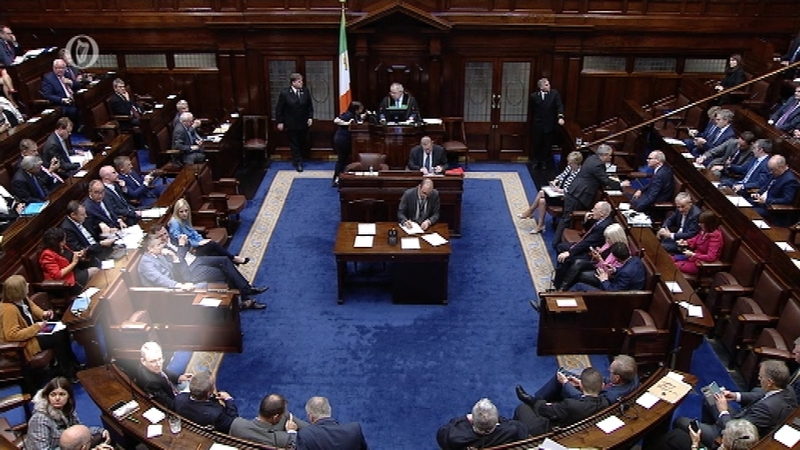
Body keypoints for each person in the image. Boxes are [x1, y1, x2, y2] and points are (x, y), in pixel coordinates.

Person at [671, 360, 796, 449]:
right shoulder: (786, 389)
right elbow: (760, 395)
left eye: (761, 377)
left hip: (735, 435)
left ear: (769, 382)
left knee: (680, 421)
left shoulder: (766, 409)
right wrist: (735, 395)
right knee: (711, 397)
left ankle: (713, 441)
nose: (759, 379)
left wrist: (723, 411)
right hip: (740, 420)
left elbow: (736, 432)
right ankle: (711, 427)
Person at [141, 228, 267, 309]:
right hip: (183, 277)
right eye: (159, 242)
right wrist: (179, 283)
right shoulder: (151, 260)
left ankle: (245, 292)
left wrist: (180, 250)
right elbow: (162, 278)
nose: (164, 240)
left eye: (165, 234)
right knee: (224, 272)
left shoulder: (162, 250)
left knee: (224, 261)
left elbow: (183, 255)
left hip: (190, 264)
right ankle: (241, 300)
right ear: (150, 248)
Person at [1, 276, 81, 384]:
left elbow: (33, 308)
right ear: (18, 290)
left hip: (33, 333)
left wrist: (43, 314)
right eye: (25, 284)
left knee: (62, 327)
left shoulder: (23, 298)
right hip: (24, 344)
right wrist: (36, 327)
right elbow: (12, 335)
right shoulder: (8, 310)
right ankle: (67, 373)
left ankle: (73, 364)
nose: (28, 285)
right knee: (58, 336)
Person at [553, 144, 621, 246]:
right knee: (566, 219)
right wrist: (620, 185)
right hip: (579, 195)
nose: (611, 157)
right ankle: (556, 243)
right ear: (605, 155)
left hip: (575, 191)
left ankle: (558, 242)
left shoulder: (592, 158)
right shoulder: (598, 164)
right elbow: (605, 180)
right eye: (610, 155)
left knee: (566, 218)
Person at [513, 367, 609, 435]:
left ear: (581, 385)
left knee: (523, 408)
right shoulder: (605, 402)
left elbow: (543, 410)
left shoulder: (570, 405)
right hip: (580, 427)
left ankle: (517, 436)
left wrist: (535, 402)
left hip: (552, 432)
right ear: (602, 386)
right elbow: (587, 401)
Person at [516, 355, 639, 407]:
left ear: (617, 378)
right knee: (563, 373)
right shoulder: (632, 377)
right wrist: (580, 381)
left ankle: (534, 402)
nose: (608, 370)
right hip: (595, 391)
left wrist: (567, 383)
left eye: (610, 370)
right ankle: (539, 400)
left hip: (586, 404)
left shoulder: (610, 397)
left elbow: (587, 401)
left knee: (561, 380)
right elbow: (607, 382)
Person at [24, 378, 109, 450]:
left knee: (101, 437)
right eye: (53, 395)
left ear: (68, 396)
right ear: (47, 397)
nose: (57, 398)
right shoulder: (40, 419)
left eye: (62, 394)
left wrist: (100, 431)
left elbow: (79, 432)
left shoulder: (68, 410)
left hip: (70, 446)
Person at [551, 201, 614, 290]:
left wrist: (570, 252)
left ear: (602, 213)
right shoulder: (601, 220)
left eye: (595, 209)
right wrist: (586, 220)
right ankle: (560, 273)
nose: (592, 210)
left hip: (591, 252)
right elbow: (589, 232)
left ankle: (559, 285)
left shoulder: (603, 226)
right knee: (561, 247)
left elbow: (587, 242)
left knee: (567, 258)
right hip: (587, 244)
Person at [167, 198, 249, 264]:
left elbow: (193, 232)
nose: (185, 213)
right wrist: (198, 243)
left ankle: (230, 262)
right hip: (190, 251)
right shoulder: (175, 223)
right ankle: (233, 259)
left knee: (215, 253)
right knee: (212, 244)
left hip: (196, 245)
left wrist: (201, 240)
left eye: (186, 210)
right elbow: (180, 242)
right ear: (176, 212)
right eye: (181, 212)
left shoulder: (184, 219)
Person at [518, 151, 583, 234]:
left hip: (565, 198)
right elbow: (561, 176)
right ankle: (540, 225)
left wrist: (559, 190)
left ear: (577, 163)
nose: (568, 164)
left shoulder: (580, 174)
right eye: (568, 162)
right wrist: (555, 181)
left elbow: (573, 190)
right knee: (542, 201)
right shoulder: (569, 168)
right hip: (558, 193)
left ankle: (530, 211)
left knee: (541, 192)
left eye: (571, 163)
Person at [436, 398, 529, 449]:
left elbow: (443, 432)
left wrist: (464, 418)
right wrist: (502, 420)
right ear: (496, 420)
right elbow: (523, 430)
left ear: (472, 419)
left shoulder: (453, 437)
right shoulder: (511, 431)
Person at [558, 223, 627, 290]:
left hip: (602, 274)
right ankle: (562, 288)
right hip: (596, 264)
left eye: (609, 238)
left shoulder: (621, 251)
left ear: (615, 238)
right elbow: (602, 253)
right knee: (577, 262)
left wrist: (600, 259)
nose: (606, 240)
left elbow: (610, 272)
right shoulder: (609, 243)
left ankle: (566, 290)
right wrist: (598, 252)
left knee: (580, 275)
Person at [284, 396, 368, 450]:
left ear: (310, 416)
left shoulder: (305, 435)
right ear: (330, 410)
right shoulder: (354, 430)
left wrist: (292, 433)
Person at [230, 393, 310, 448]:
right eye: (282, 414)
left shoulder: (236, 425)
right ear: (275, 417)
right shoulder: (282, 440)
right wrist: (291, 432)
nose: (284, 415)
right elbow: (295, 444)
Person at [174, 371, 239, 433]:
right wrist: (229, 400)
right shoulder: (216, 414)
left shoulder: (179, 399)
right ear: (208, 393)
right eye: (213, 385)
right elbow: (232, 422)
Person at [39, 227, 99, 295]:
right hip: (66, 282)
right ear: (58, 242)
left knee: (93, 262)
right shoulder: (47, 255)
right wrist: (74, 263)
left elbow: (70, 254)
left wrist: (78, 254)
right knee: (95, 271)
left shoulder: (62, 247)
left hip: (75, 272)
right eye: (63, 240)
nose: (65, 241)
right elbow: (57, 275)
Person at [134, 342, 193, 410]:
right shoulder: (151, 383)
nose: (159, 364)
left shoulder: (152, 366)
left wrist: (179, 378)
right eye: (153, 361)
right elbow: (169, 404)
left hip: (170, 386)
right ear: (143, 361)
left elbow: (164, 371)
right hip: (171, 397)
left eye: (160, 359)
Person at [568, 242, 645, 292]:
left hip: (617, 298)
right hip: (623, 289)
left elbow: (613, 292)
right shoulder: (636, 259)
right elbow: (627, 270)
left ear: (616, 259)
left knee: (579, 286)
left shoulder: (625, 273)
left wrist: (604, 280)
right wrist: (615, 270)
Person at [275, 73, 314, 172]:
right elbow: (279, 109)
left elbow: (309, 106)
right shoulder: (285, 93)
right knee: (294, 143)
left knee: (302, 141)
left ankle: (300, 157)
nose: (301, 83)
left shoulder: (305, 91)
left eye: (302, 81)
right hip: (291, 123)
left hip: (303, 122)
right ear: (293, 83)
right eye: (299, 81)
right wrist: (280, 121)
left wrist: (310, 117)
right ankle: (298, 162)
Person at [750, 155, 800, 226]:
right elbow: (765, 187)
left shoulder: (790, 180)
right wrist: (758, 193)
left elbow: (787, 200)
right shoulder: (775, 173)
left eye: (773, 169)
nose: (770, 172)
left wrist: (766, 200)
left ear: (781, 167)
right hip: (760, 203)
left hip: (771, 210)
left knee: (748, 211)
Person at [529, 77, 565, 169]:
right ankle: (535, 161)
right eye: (546, 84)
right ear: (541, 87)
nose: (549, 86)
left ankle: (544, 162)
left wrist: (560, 117)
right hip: (538, 123)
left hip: (549, 123)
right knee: (537, 143)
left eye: (548, 84)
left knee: (547, 144)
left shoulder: (554, 94)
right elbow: (532, 109)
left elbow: (559, 106)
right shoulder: (534, 96)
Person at [672, 211, 723, 276]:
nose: (699, 224)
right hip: (693, 258)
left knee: (673, 266)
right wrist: (686, 242)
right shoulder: (705, 230)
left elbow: (710, 257)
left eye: (701, 223)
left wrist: (693, 254)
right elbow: (696, 239)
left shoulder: (716, 237)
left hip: (701, 265)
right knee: (671, 259)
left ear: (708, 224)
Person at [332, 100, 364, 186]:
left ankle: (343, 178)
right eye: (360, 109)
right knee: (341, 160)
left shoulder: (355, 115)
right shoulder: (348, 114)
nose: (361, 110)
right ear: (355, 109)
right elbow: (336, 120)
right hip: (342, 139)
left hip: (347, 139)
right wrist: (347, 123)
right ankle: (336, 179)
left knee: (345, 160)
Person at [40, 59, 80, 127]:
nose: (60, 70)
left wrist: (71, 82)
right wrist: (62, 99)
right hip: (61, 104)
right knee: (74, 111)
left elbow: (78, 85)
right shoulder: (48, 79)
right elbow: (48, 95)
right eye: (57, 68)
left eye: (62, 68)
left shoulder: (66, 74)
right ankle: (77, 128)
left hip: (73, 99)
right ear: (53, 68)